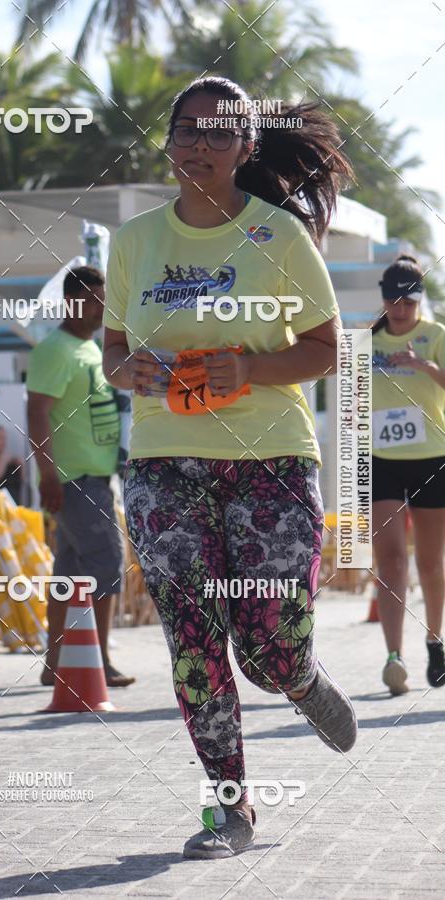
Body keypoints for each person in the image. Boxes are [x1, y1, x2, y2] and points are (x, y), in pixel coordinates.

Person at [102, 75, 357, 859]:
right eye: (187, 131)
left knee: (266, 649)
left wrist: (245, 373)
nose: (200, 145)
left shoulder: (278, 237)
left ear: (248, 147)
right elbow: (112, 353)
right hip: (161, 463)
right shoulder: (134, 241)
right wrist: (132, 369)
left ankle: (301, 677)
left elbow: (326, 348)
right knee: (193, 638)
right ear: (169, 142)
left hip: (270, 459)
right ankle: (231, 808)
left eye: (219, 133)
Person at [27, 265, 135, 688]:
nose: (102, 307)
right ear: (71, 302)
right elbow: (36, 412)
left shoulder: (94, 349)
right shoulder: (55, 349)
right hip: (74, 479)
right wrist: (47, 475)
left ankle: (56, 664)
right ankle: (99, 662)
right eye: (93, 300)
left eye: (104, 299)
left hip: (94, 477)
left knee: (70, 571)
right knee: (108, 562)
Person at [371, 255, 445, 695]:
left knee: (430, 562)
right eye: (393, 300)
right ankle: (393, 656)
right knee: (392, 560)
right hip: (381, 459)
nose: (400, 309)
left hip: (431, 457)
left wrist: (426, 368)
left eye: (409, 301)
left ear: (419, 301)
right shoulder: (365, 338)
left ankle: (435, 641)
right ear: (383, 297)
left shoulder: (435, 336)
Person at [0, 424, 24, 504]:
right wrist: (3, 460)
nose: (3, 442)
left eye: (4, 438)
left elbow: (23, 481)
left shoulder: (12, 462)